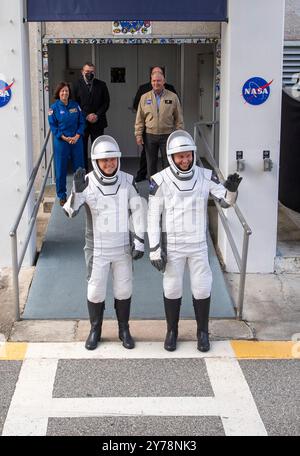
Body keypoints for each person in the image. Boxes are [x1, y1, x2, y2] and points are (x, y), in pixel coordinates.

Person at [147, 130, 242, 353]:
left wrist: (232, 191)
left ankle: (203, 332)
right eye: (180, 156)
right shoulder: (159, 180)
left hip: (198, 243)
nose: (185, 160)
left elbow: (226, 203)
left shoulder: (205, 175)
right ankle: (172, 331)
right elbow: (152, 215)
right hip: (174, 245)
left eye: (188, 155)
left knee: (202, 288)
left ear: (193, 153)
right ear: (171, 157)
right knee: (172, 287)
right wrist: (154, 249)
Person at [63, 135, 145, 351]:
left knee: (123, 289)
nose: (109, 164)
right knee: (95, 291)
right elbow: (70, 212)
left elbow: (137, 211)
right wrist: (76, 191)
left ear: (118, 159)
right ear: (96, 161)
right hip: (97, 249)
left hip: (122, 248)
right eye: (104, 160)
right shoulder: (86, 182)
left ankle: (124, 329)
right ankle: (95, 330)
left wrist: (139, 240)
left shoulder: (128, 181)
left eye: (113, 159)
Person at [135, 71, 183, 178]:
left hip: (167, 135)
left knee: (167, 163)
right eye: (154, 81)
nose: (156, 83)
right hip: (150, 136)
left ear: (164, 81)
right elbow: (140, 118)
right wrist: (138, 135)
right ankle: (153, 189)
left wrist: (179, 134)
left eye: (159, 81)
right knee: (151, 164)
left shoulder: (173, 97)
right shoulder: (144, 97)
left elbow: (179, 118)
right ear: (151, 82)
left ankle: (167, 188)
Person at [48, 81, 85, 206]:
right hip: (62, 143)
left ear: (69, 93)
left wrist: (77, 135)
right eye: (62, 91)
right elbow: (53, 127)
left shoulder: (75, 106)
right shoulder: (53, 108)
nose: (65, 93)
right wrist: (63, 137)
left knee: (79, 168)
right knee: (61, 169)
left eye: (67, 91)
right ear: (58, 93)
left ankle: (80, 193)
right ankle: (62, 195)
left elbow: (82, 122)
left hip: (76, 141)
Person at [73, 62, 110, 172]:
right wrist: (86, 116)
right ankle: (85, 172)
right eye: (87, 72)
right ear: (82, 72)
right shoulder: (75, 85)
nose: (89, 74)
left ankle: (99, 171)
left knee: (98, 148)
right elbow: (75, 103)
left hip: (98, 122)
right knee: (82, 149)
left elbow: (106, 102)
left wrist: (97, 115)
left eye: (92, 72)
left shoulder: (102, 84)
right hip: (82, 123)